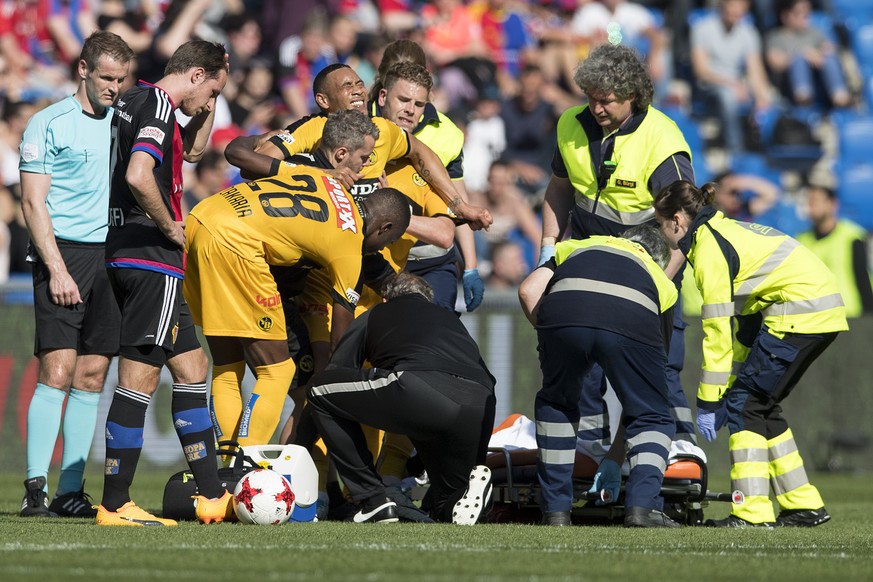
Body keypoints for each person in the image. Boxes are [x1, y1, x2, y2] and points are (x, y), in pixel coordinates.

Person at [187, 109, 410, 450]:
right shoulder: (349, 245)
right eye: (389, 242)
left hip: (201, 219)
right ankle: (245, 470)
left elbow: (245, 160)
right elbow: (341, 338)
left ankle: (227, 470)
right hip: (237, 245)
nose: (383, 247)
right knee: (277, 371)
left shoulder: (322, 176)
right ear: (384, 229)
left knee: (228, 363)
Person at [654, 180, 848, 528]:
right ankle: (803, 504)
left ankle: (751, 512)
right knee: (761, 405)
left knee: (745, 405)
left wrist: (711, 400)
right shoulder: (725, 230)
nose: (661, 231)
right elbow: (744, 327)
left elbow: (717, 332)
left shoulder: (709, 247)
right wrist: (729, 381)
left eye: (660, 223)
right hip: (817, 309)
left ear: (678, 220)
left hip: (800, 311)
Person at [538, 43, 697, 460]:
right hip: (586, 260)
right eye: (589, 98)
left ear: (634, 97)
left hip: (649, 270)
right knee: (581, 363)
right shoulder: (570, 124)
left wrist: (662, 283)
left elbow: (685, 224)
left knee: (659, 368)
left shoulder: (662, 140)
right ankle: (587, 453)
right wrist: (545, 252)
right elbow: (558, 190)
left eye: (606, 100)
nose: (595, 108)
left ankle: (675, 453)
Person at [98, 39, 232, 527]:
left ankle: (214, 496)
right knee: (140, 376)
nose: (211, 100)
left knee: (194, 367)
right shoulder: (156, 102)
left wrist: (209, 104)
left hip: (133, 253)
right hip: (151, 257)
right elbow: (138, 175)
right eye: (211, 88)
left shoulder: (138, 100)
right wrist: (169, 224)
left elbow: (194, 152)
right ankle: (115, 503)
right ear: (195, 74)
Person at [17, 31, 134, 519]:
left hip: (112, 255)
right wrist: (57, 269)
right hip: (63, 254)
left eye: (122, 79)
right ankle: (35, 488)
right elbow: (31, 201)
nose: (115, 87)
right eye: (107, 77)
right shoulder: (48, 123)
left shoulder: (124, 122)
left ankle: (70, 490)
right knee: (58, 371)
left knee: (92, 375)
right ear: (83, 70)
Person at [519, 225, 680, 528]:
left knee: (557, 403)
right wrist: (615, 459)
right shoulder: (661, 280)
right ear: (657, 259)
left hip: (563, 309)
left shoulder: (577, 246)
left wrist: (557, 338)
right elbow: (648, 398)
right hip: (631, 314)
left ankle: (556, 512)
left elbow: (528, 290)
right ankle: (641, 510)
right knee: (654, 415)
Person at [307, 272, 496, 524]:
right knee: (447, 506)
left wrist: (301, 440)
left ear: (385, 299)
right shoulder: (451, 320)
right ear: (427, 300)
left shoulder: (375, 313)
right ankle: (470, 490)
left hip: (420, 390)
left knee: (319, 390)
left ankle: (373, 499)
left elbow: (337, 372)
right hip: (480, 403)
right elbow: (485, 376)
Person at [690, 0, 773, 154]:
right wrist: (732, 84)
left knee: (772, 101)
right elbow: (701, 71)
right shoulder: (703, 28)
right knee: (727, 96)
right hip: (710, 86)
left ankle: (764, 150)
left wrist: (762, 96)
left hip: (737, 84)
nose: (735, 11)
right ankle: (736, 149)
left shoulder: (748, 32)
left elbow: (755, 70)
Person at [796, 184, 873, 318]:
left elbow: (863, 279)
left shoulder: (852, 236)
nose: (811, 206)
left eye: (816, 201)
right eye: (809, 202)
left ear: (832, 204)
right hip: (816, 318)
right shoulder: (802, 240)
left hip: (849, 315)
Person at [765, 0, 851, 109]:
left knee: (829, 59)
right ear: (785, 16)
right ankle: (803, 96)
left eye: (807, 13)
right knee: (799, 61)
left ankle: (840, 97)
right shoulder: (776, 37)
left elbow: (830, 48)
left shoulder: (815, 32)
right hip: (790, 89)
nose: (804, 17)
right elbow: (775, 62)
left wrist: (820, 54)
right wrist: (803, 55)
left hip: (820, 82)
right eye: (798, 13)